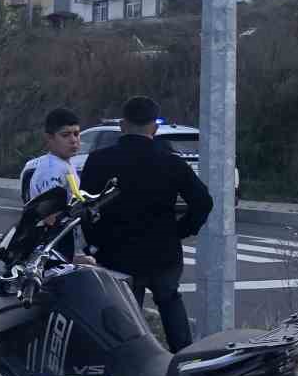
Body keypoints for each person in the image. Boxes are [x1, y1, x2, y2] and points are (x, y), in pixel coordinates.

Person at [79, 95, 213, 353]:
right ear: (154, 128)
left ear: (122, 125)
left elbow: (85, 207)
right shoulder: (172, 162)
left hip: (116, 252)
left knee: (125, 316)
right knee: (170, 302)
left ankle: (130, 365)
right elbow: (203, 202)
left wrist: (96, 241)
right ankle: (183, 360)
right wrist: (180, 231)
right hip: (163, 250)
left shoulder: (99, 160)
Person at [23, 107, 82, 202]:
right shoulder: (51, 170)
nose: (74, 140)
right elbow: (51, 215)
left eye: (76, 134)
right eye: (65, 135)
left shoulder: (62, 164)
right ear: (49, 138)